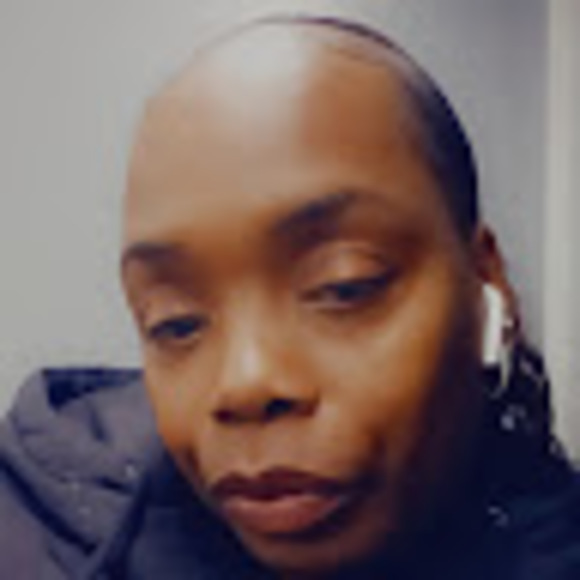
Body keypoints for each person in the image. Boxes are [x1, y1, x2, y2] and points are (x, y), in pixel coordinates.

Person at [1, 14, 579, 579]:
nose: (245, 384)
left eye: (344, 287)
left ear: (486, 284)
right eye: (175, 323)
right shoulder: (34, 528)